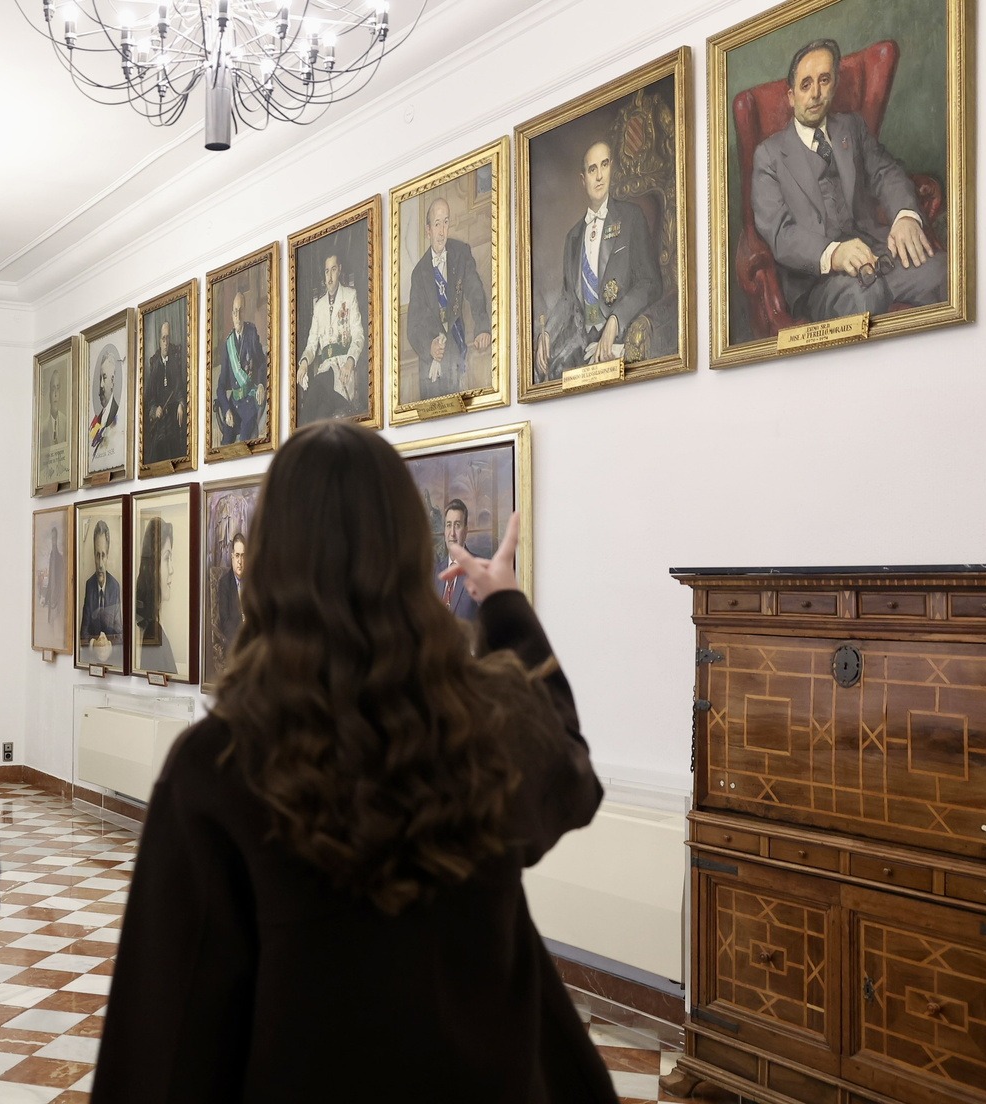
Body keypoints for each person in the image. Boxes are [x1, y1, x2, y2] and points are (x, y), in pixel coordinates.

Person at [93, 421, 614, 1103]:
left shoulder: (219, 763)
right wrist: (507, 606)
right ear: (411, 553)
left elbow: (165, 1032)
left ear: (272, 560)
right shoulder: (480, 720)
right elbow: (570, 775)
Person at [750, 38, 948, 325]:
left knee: (943, 270)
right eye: (806, 85)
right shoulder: (768, 155)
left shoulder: (851, 127)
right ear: (791, 96)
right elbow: (781, 233)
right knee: (865, 297)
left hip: (879, 253)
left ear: (834, 84)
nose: (816, 94)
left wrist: (905, 215)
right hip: (819, 280)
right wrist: (833, 253)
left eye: (824, 80)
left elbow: (886, 171)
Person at [535, 140, 661, 382]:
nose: (600, 176)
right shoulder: (573, 237)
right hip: (582, 342)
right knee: (545, 376)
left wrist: (616, 320)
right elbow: (568, 297)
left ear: (611, 167)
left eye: (604, 165)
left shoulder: (631, 217)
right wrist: (547, 332)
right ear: (583, 179)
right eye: (592, 169)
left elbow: (650, 282)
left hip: (621, 337)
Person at [407, 197, 490, 399]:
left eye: (445, 222)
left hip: (457, 349)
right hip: (431, 364)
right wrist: (429, 347)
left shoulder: (461, 253)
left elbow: (475, 291)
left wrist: (482, 328)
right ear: (428, 230)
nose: (442, 231)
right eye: (437, 224)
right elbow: (413, 326)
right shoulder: (418, 273)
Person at [295, 253, 365, 424]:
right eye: (327, 271)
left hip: (343, 374)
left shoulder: (350, 295)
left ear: (339, 270)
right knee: (320, 418)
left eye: (333, 270)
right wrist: (303, 363)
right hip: (326, 372)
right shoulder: (319, 306)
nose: (330, 276)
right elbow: (312, 344)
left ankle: (296, 437)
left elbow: (358, 336)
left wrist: (350, 362)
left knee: (316, 388)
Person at [214, 291, 268, 445]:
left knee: (244, 442)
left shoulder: (251, 333)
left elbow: (262, 363)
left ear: (244, 312)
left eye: (240, 310)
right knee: (225, 445)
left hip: (250, 401)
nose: (237, 316)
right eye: (235, 312)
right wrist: (226, 410)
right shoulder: (228, 344)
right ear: (232, 314)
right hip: (234, 404)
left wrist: (261, 384)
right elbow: (221, 386)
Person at [133, 516, 176, 675]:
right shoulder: (152, 633)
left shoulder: (154, 627)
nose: (171, 569)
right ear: (152, 566)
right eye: (166, 558)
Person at [142, 318, 187, 465]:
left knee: (176, 450)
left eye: (168, 338)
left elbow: (179, 389)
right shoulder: (155, 365)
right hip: (160, 422)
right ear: (159, 341)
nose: (166, 342)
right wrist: (155, 410)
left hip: (173, 418)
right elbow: (149, 398)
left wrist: (181, 404)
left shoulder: (174, 362)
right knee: (158, 449)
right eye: (163, 338)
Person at [78, 519, 123, 661]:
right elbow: (83, 634)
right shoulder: (89, 585)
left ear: (108, 555)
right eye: (97, 555)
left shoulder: (115, 587)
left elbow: (120, 635)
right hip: (91, 660)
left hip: (112, 661)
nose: (100, 564)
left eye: (103, 555)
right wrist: (94, 645)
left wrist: (107, 645)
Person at [435, 498, 481, 622]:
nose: (452, 533)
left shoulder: (477, 568)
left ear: (465, 531)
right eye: (449, 525)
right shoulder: (436, 572)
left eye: (457, 525)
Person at [88, 342, 124, 469]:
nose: (101, 385)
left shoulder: (116, 417)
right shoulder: (98, 417)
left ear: (113, 381)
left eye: (104, 378)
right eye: (100, 379)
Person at [213, 531, 246, 654]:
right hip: (235, 643)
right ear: (232, 557)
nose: (240, 561)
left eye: (243, 556)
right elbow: (225, 621)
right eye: (237, 555)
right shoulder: (224, 583)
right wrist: (240, 641)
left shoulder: (252, 582)